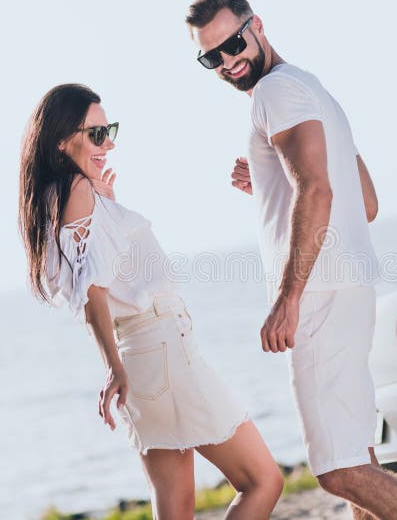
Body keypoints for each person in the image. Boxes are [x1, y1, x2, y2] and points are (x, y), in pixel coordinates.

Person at [185, 0, 397, 519]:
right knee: (356, 456)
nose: (229, 61)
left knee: (336, 470)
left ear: (257, 25)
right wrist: (271, 186)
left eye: (233, 43)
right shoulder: (310, 87)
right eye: (212, 56)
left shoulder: (273, 93)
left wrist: (287, 298)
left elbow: (317, 191)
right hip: (351, 291)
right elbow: (362, 201)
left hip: (320, 295)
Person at [17, 83, 283, 520]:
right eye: (96, 134)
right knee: (263, 481)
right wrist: (112, 368)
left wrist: (107, 202)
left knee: (175, 510)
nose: (109, 143)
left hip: (141, 359)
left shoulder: (58, 197)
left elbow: (100, 280)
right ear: (62, 140)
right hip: (162, 351)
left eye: (110, 131)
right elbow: (92, 293)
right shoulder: (75, 189)